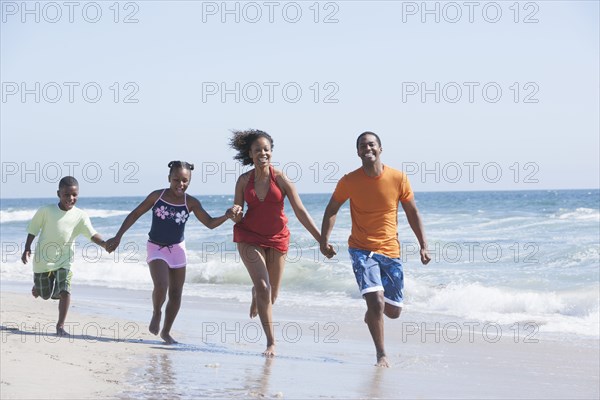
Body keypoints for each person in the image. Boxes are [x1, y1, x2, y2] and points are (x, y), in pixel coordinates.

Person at [320, 132, 431, 367]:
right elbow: (332, 208)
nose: (367, 148)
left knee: (392, 311)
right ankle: (381, 354)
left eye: (371, 144)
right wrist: (324, 240)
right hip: (361, 249)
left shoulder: (398, 178)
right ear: (358, 152)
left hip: (391, 250)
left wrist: (423, 245)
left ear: (380, 148)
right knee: (377, 302)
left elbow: (412, 212)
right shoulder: (349, 181)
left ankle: (372, 315)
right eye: (363, 146)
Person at [229, 129, 335, 357]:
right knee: (264, 288)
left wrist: (322, 241)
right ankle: (271, 343)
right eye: (258, 150)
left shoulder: (282, 179)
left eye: (266, 149)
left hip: (277, 238)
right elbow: (238, 213)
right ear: (250, 153)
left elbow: (300, 211)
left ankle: (256, 292)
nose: (263, 153)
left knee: (272, 295)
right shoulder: (243, 180)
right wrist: (235, 213)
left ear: (271, 152)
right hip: (249, 236)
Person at [105, 161, 235, 344]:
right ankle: (157, 312)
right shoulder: (157, 196)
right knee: (161, 286)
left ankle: (166, 332)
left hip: (178, 250)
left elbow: (210, 223)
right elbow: (135, 214)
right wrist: (118, 236)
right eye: (176, 180)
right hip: (156, 247)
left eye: (185, 181)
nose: (180, 184)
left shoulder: (190, 202)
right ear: (169, 178)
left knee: (176, 293)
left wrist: (227, 216)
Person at [21, 176, 110, 336]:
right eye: (66, 195)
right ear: (58, 194)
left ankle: (60, 326)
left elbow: (92, 234)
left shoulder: (80, 216)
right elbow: (33, 229)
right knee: (45, 295)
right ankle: (39, 289)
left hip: (65, 261)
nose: (70, 198)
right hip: (43, 262)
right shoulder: (46, 211)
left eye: (74, 195)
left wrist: (104, 244)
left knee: (65, 290)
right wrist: (27, 247)